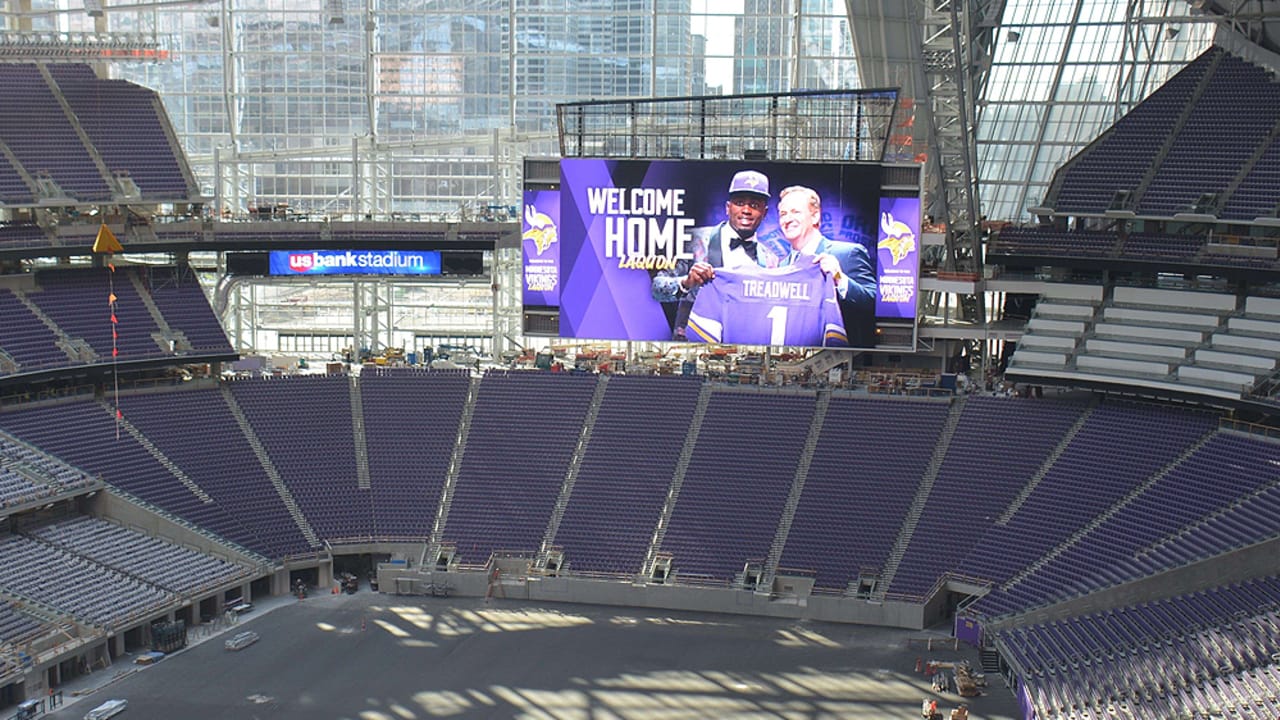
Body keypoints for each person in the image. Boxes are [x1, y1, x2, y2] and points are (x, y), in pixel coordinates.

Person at [651, 169, 783, 339]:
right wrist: (686, 282)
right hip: (693, 347)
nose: (746, 210)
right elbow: (656, 289)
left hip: (744, 348)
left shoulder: (772, 261)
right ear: (728, 208)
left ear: (764, 213)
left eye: (754, 205)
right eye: (740, 202)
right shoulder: (693, 240)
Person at [775, 184, 878, 347]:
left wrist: (840, 278)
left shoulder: (848, 254)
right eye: (783, 214)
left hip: (841, 358)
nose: (787, 219)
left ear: (815, 216)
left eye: (795, 212)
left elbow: (876, 303)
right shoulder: (782, 266)